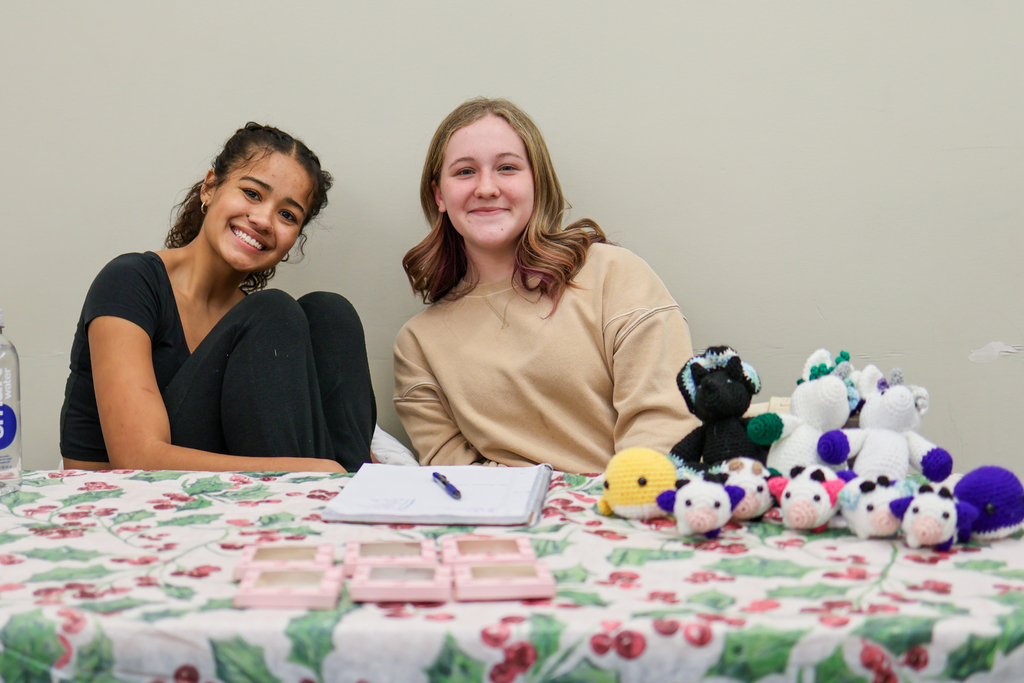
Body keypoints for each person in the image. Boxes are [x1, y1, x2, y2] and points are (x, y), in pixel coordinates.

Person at [394, 98, 698, 473]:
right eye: (464, 172)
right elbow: (457, 479)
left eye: (507, 168)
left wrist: (619, 507)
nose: (486, 188)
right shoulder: (418, 346)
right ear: (439, 195)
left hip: (633, 509)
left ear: (537, 183)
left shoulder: (614, 276)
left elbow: (664, 420)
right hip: (512, 523)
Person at [60, 123, 375, 473]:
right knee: (274, 311)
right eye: (253, 193)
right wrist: (308, 473)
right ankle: (319, 493)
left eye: (287, 215)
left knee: (330, 313)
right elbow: (137, 459)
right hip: (127, 498)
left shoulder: (256, 330)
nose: (263, 219)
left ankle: (357, 497)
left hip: (230, 500)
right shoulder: (130, 281)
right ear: (210, 187)